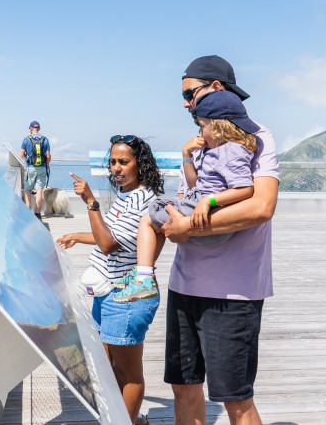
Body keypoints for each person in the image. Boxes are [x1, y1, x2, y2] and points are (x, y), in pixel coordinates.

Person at [160, 55, 280, 425]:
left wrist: (188, 229)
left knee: (236, 399)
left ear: (215, 87)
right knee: (184, 388)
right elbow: (191, 198)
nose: (184, 102)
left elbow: (261, 206)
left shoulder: (257, 137)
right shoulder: (200, 143)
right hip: (184, 286)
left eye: (189, 93)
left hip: (234, 293)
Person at [55, 135, 164, 424]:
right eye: (113, 162)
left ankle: (126, 420)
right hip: (109, 294)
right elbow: (110, 237)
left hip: (126, 295)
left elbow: (109, 245)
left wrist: (91, 202)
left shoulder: (143, 200)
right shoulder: (127, 196)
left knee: (129, 374)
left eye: (123, 162)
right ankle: (128, 418)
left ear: (140, 165)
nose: (116, 168)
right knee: (108, 366)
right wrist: (77, 237)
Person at [113, 90, 259, 303]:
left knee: (148, 218)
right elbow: (194, 185)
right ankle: (143, 274)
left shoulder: (232, 151)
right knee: (155, 218)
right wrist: (187, 156)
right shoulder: (215, 151)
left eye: (201, 126)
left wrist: (208, 201)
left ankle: (143, 277)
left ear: (218, 128)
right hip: (199, 203)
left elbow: (245, 189)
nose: (199, 132)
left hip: (208, 211)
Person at [20, 120, 51, 219]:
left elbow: (21, 154)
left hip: (30, 168)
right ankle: (37, 213)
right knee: (39, 191)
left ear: (31, 128)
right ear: (39, 129)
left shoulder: (26, 139)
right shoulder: (45, 139)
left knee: (28, 190)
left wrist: (27, 159)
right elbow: (48, 156)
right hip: (42, 167)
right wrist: (47, 165)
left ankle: (28, 212)